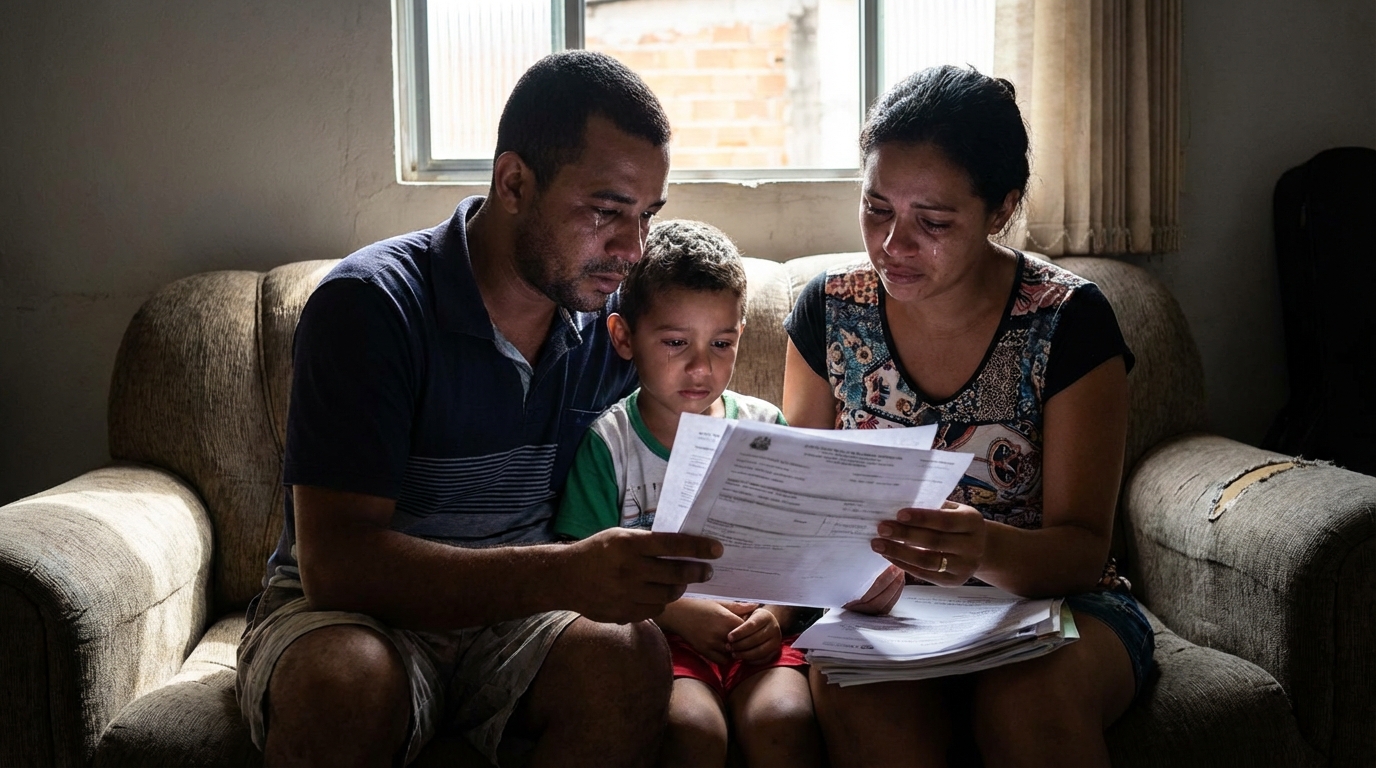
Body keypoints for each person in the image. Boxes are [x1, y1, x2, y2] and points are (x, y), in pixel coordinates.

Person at [234, 50, 724, 768]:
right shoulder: (370, 307)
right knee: (342, 682)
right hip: (358, 618)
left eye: (647, 216)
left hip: (524, 625)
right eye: (605, 211)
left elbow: (717, 401)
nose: (632, 249)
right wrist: (567, 573)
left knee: (627, 653)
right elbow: (338, 566)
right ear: (514, 182)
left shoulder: (615, 323)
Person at [782, 65, 1155, 767]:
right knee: (862, 697)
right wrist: (838, 573)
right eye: (876, 208)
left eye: (933, 222)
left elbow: (1082, 550)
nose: (893, 244)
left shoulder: (1068, 321)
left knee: (1027, 704)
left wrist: (984, 550)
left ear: (1000, 210)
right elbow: (804, 514)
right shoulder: (830, 312)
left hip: (1056, 607)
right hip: (881, 613)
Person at [553, 219, 822, 768]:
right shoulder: (609, 444)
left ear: (741, 334)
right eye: (676, 343)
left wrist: (776, 617)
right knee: (692, 730)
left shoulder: (764, 426)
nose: (701, 367)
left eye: (721, 343)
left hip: (759, 639)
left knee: (784, 721)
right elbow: (583, 573)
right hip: (661, 642)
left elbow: (800, 554)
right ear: (624, 338)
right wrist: (678, 615)